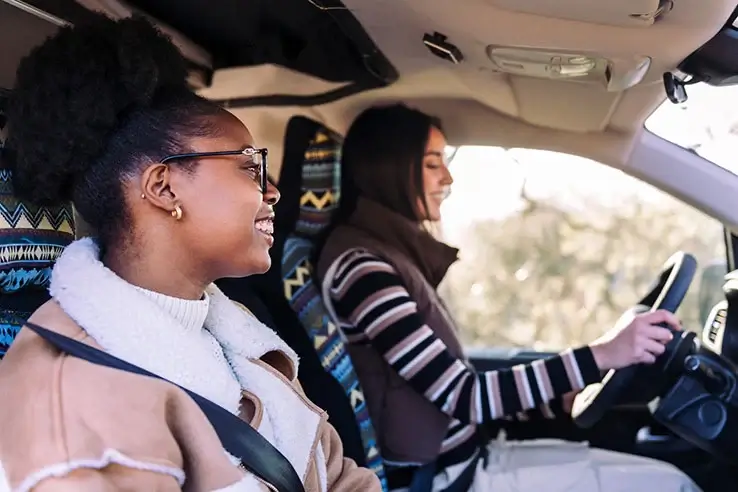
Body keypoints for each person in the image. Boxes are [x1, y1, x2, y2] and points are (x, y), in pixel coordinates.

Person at [0, 16, 380, 492]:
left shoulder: (235, 333)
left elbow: (341, 477)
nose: (274, 191)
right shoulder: (73, 398)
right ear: (163, 187)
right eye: (249, 167)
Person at [315, 103, 701, 492]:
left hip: (470, 457)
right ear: (389, 168)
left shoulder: (387, 253)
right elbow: (463, 395)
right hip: (444, 479)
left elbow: (450, 381)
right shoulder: (362, 270)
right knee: (674, 486)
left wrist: (560, 397)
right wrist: (602, 354)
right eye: (433, 164)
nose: (448, 178)